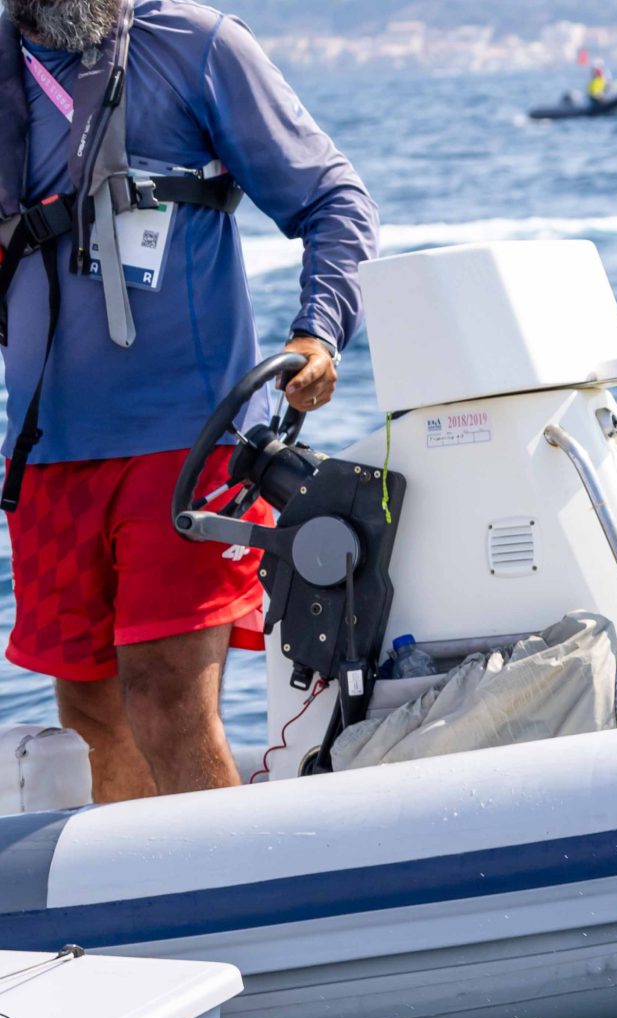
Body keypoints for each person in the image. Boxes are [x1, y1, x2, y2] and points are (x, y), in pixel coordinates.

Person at [3, 0, 376, 803]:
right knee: (92, 715)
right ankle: (144, 920)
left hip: (191, 443)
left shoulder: (199, 46)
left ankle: (244, 907)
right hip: (47, 458)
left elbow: (334, 201)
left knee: (165, 696)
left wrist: (319, 332)